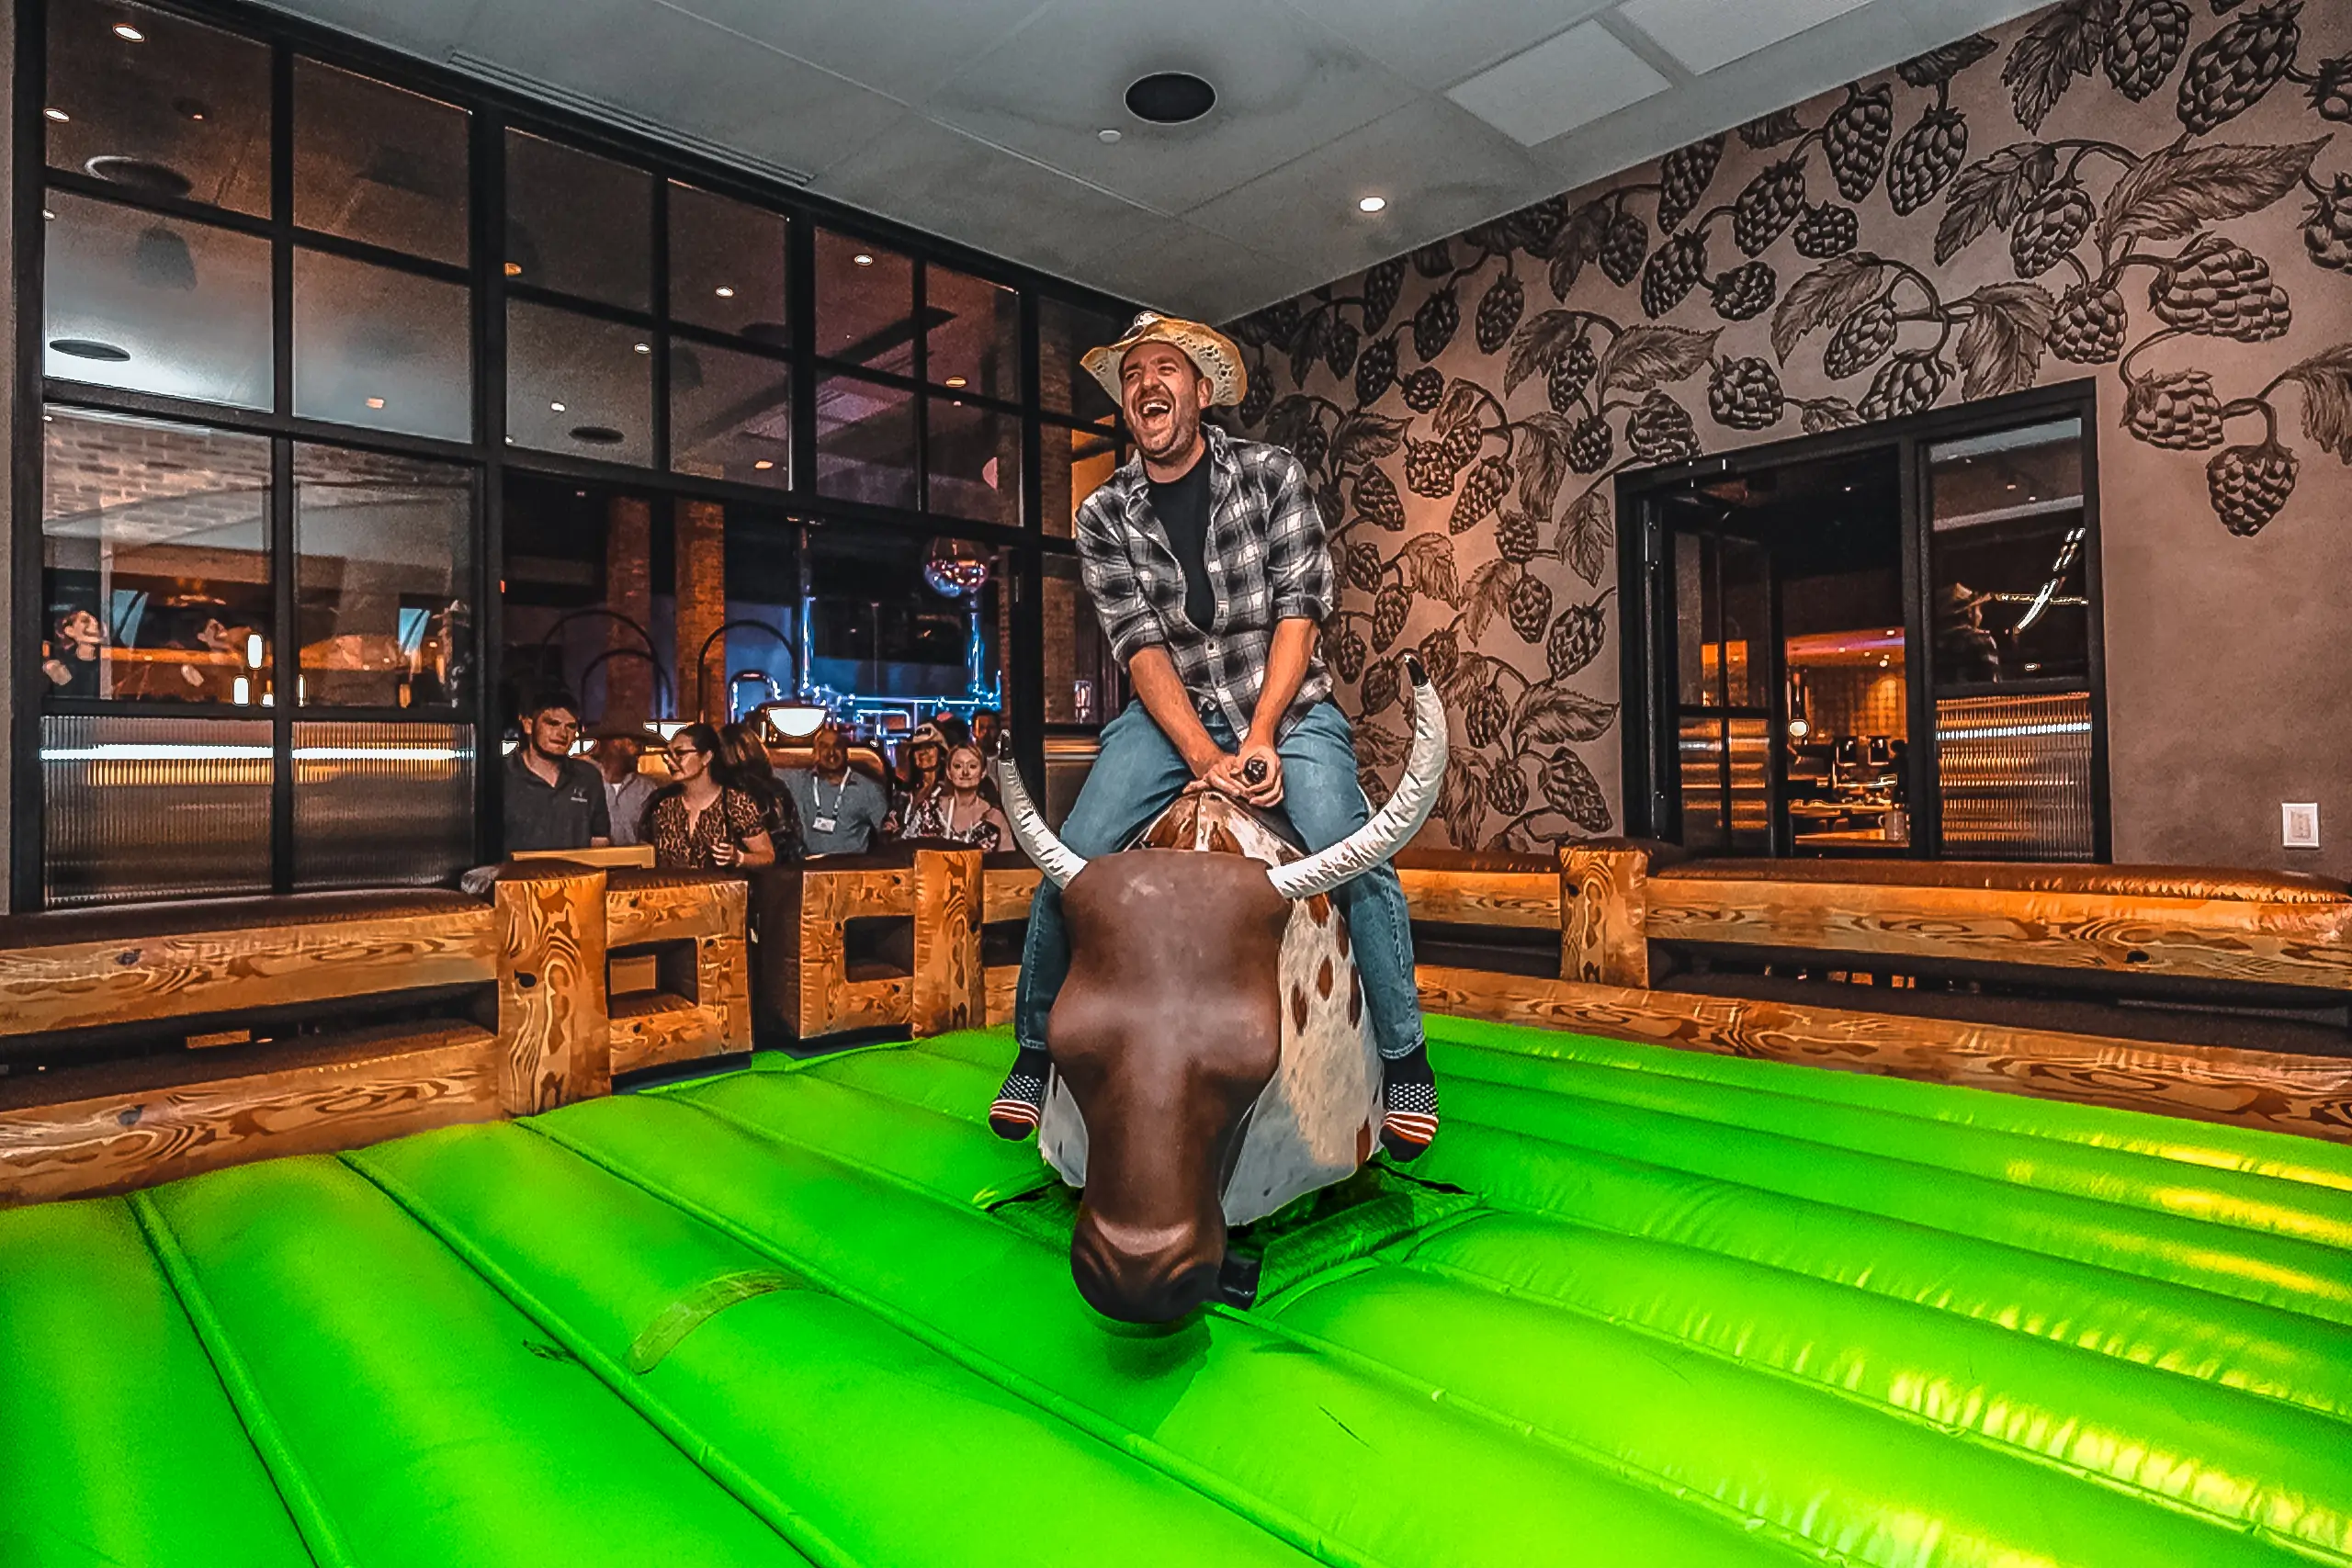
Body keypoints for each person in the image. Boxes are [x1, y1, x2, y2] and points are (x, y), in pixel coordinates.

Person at [995, 310, 1437, 1160]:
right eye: (1132, 375)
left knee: (1356, 851)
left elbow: (1300, 614)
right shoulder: (1103, 515)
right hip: (1170, 720)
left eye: (1164, 368)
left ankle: (1405, 1056)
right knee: (1072, 858)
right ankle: (1033, 1049)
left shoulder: (1273, 476)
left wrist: (1262, 735)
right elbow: (1141, 650)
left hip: (1287, 708)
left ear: (1201, 392)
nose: (1146, 384)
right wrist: (1204, 757)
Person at [643, 722, 775, 871]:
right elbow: (647, 854)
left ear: (706, 757)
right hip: (673, 886)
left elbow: (767, 856)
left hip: (721, 885)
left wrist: (739, 857)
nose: (670, 761)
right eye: (668, 754)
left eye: (680, 754)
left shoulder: (735, 802)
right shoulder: (663, 806)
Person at [503, 689, 610, 852]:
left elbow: (600, 841)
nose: (562, 733)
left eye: (571, 726)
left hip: (577, 870)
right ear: (528, 725)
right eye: (553, 724)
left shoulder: (588, 777)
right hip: (515, 870)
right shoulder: (501, 776)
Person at [779, 722, 891, 856]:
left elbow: (887, 836)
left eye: (837, 746)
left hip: (851, 864)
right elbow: (763, 766)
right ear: (815, 753)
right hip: (809, 863)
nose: (831, 752)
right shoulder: (800, 780)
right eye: (824, 747)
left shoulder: (869, 789)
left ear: (846, 752)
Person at [718, 721, 804, 863]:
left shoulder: (727, 793)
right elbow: (795, 835)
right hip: (787, 865)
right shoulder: (777, 787)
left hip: (748, 866)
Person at [899, 743, 1012, 849]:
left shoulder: (995, 819)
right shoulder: (929, 810)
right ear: (949, 772)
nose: (965, 772)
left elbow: (1008, 860)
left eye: (972, 766)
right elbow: (904, 850)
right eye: (958, 766)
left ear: (983, 773)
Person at [588, 722, 659, 849]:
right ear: (614, 743)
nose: (641, 751)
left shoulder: (648, 789)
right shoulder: (583, 782)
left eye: (643, 745)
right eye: (636, 743)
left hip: (636, 861)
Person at [884, 723, 947, 838]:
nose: (923, 752)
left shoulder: (949, 792)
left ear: (941, 752)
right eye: (918, 748)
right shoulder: (905, 794)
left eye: (929, 746)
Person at [41, 606, 107, 698]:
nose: (94, 624)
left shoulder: (108, 663)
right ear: (70, 631)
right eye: (84, 621)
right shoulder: (61, 667)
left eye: (95, 621)